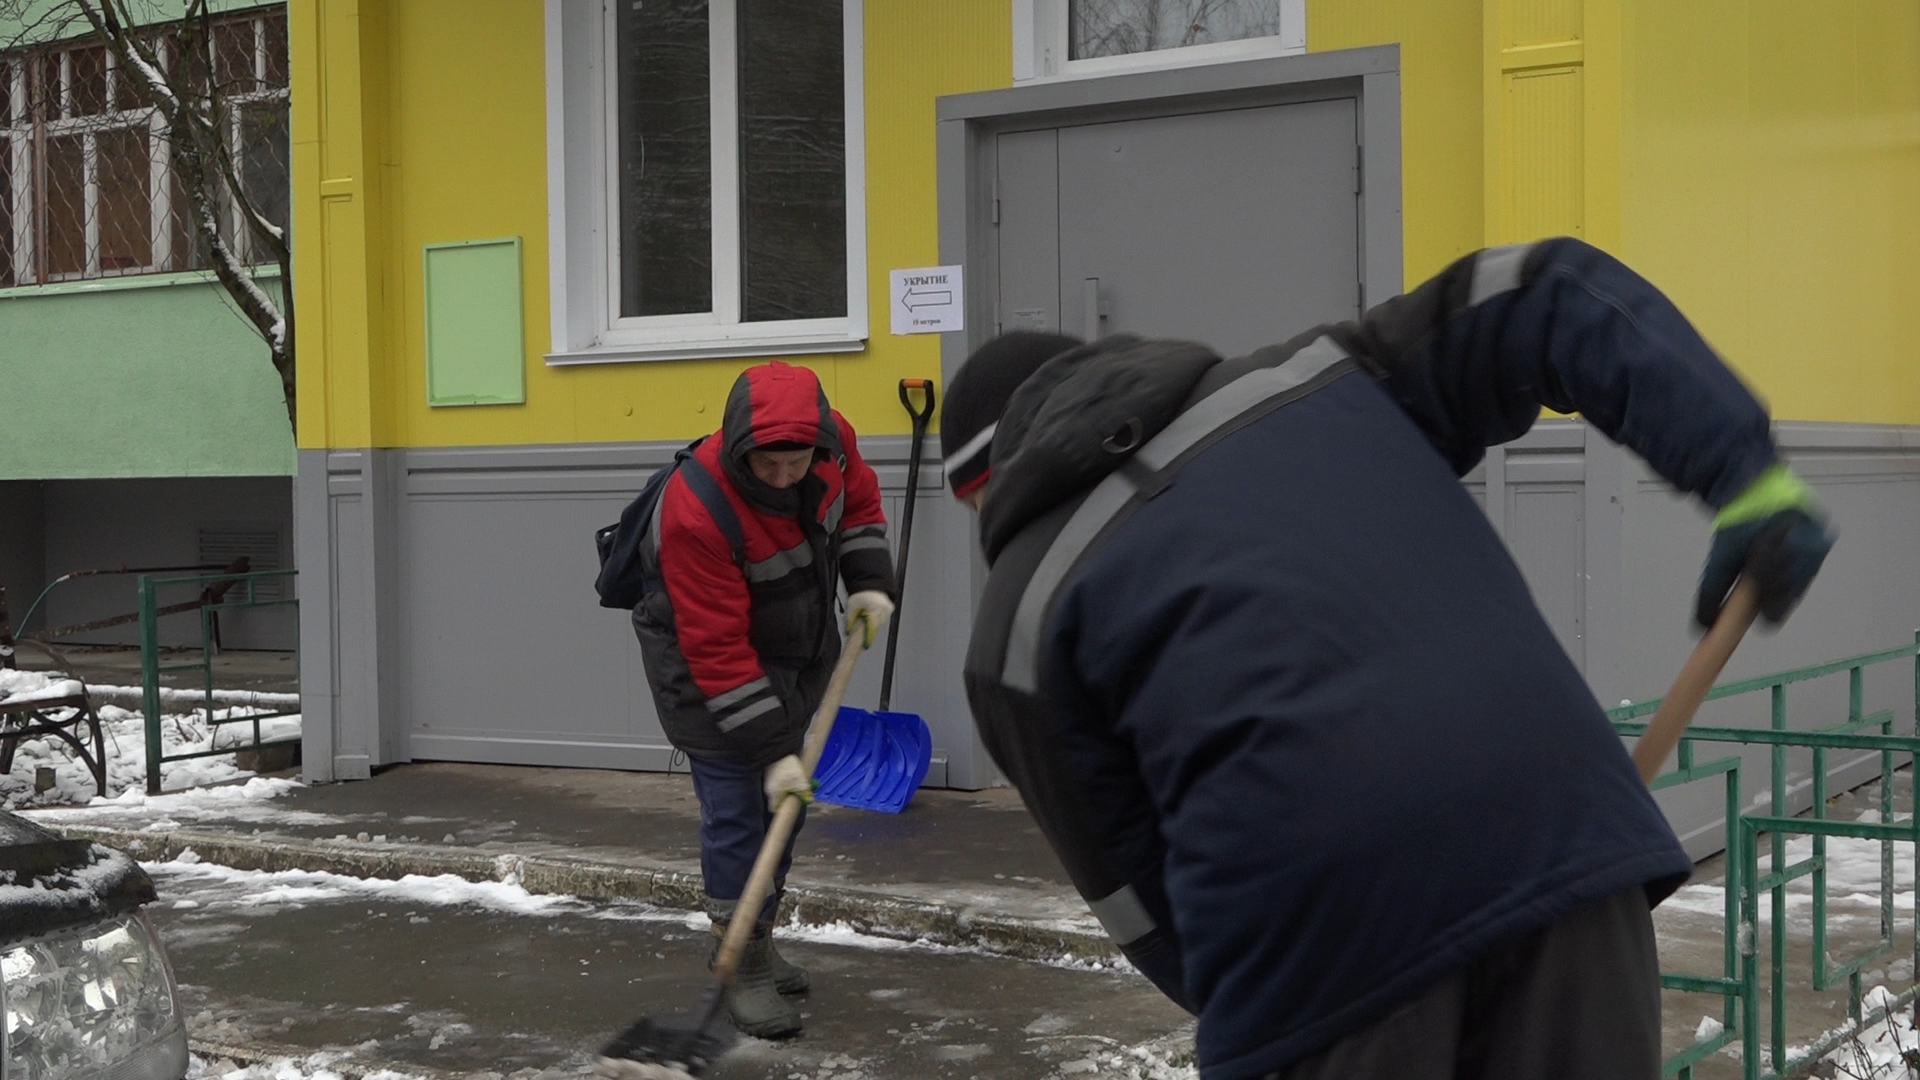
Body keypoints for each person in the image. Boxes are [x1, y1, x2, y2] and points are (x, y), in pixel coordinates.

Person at [939, 238, 1834, 1079]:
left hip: (1320, 960)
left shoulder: (1017, 622)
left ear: (984, 489)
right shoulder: (1322, 380)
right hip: (1565, 854)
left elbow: (1137, 897)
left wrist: (1268, 1006)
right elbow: (1548, 292)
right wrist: (1741, 468)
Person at [630, 360, 896, 1038]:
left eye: (796, 464)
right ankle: (738, 957)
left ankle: (759, 934)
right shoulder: (698, 507)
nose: (784, 478)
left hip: (797, 659)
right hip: (704, 674)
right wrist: (773, 750)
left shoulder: (835, 448)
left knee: (785, 814)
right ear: (741, 447)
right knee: (740, 816)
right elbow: (716, 648)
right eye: (768, 466)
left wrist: (867, 581)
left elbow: (860, 505)